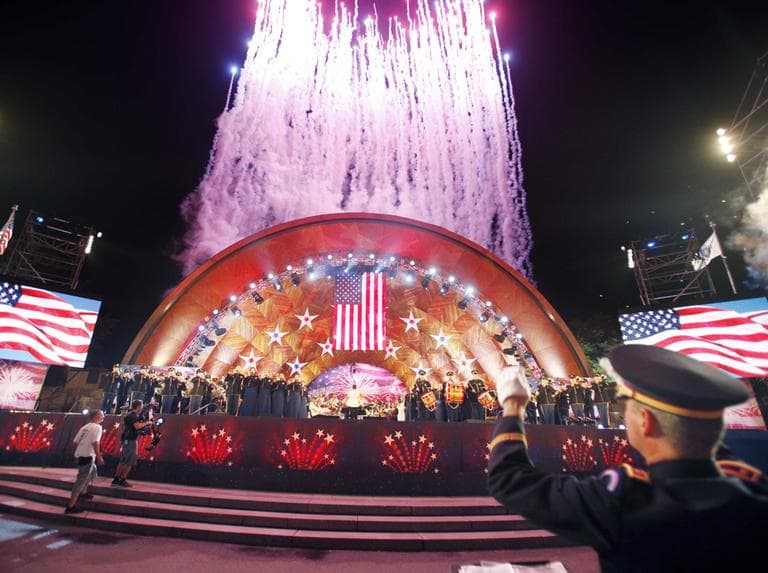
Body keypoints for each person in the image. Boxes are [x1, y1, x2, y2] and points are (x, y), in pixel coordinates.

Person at [487, 345, 768, 573]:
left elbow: (510, 480)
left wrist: (513, 405)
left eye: (627, 408)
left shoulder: (624, 501)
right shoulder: (754, 491)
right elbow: (701, 438)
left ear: (645, 422)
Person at [65, 409, 105, 514]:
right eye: (101, 415)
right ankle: (70, 506)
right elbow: (95, 443)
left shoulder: (85, 427)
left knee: (93, 472)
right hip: (87, 457)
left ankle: (84, 491)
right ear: (96, 416)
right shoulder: (97, 427)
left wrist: (79, 451)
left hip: (80, 456)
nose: (103, 417)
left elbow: (75, 442)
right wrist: (99, 456)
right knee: (81, 480)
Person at [112, 400, 153, 488]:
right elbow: (137, 426)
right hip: (130, 440)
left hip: (128, 439)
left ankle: (116, 480)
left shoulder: (130, 415)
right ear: (138, 407)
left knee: (123, 460)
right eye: (141, 406)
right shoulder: (132, 415)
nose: (142, 408)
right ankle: (122, 480)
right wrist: (147, 423)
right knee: (129, 461)